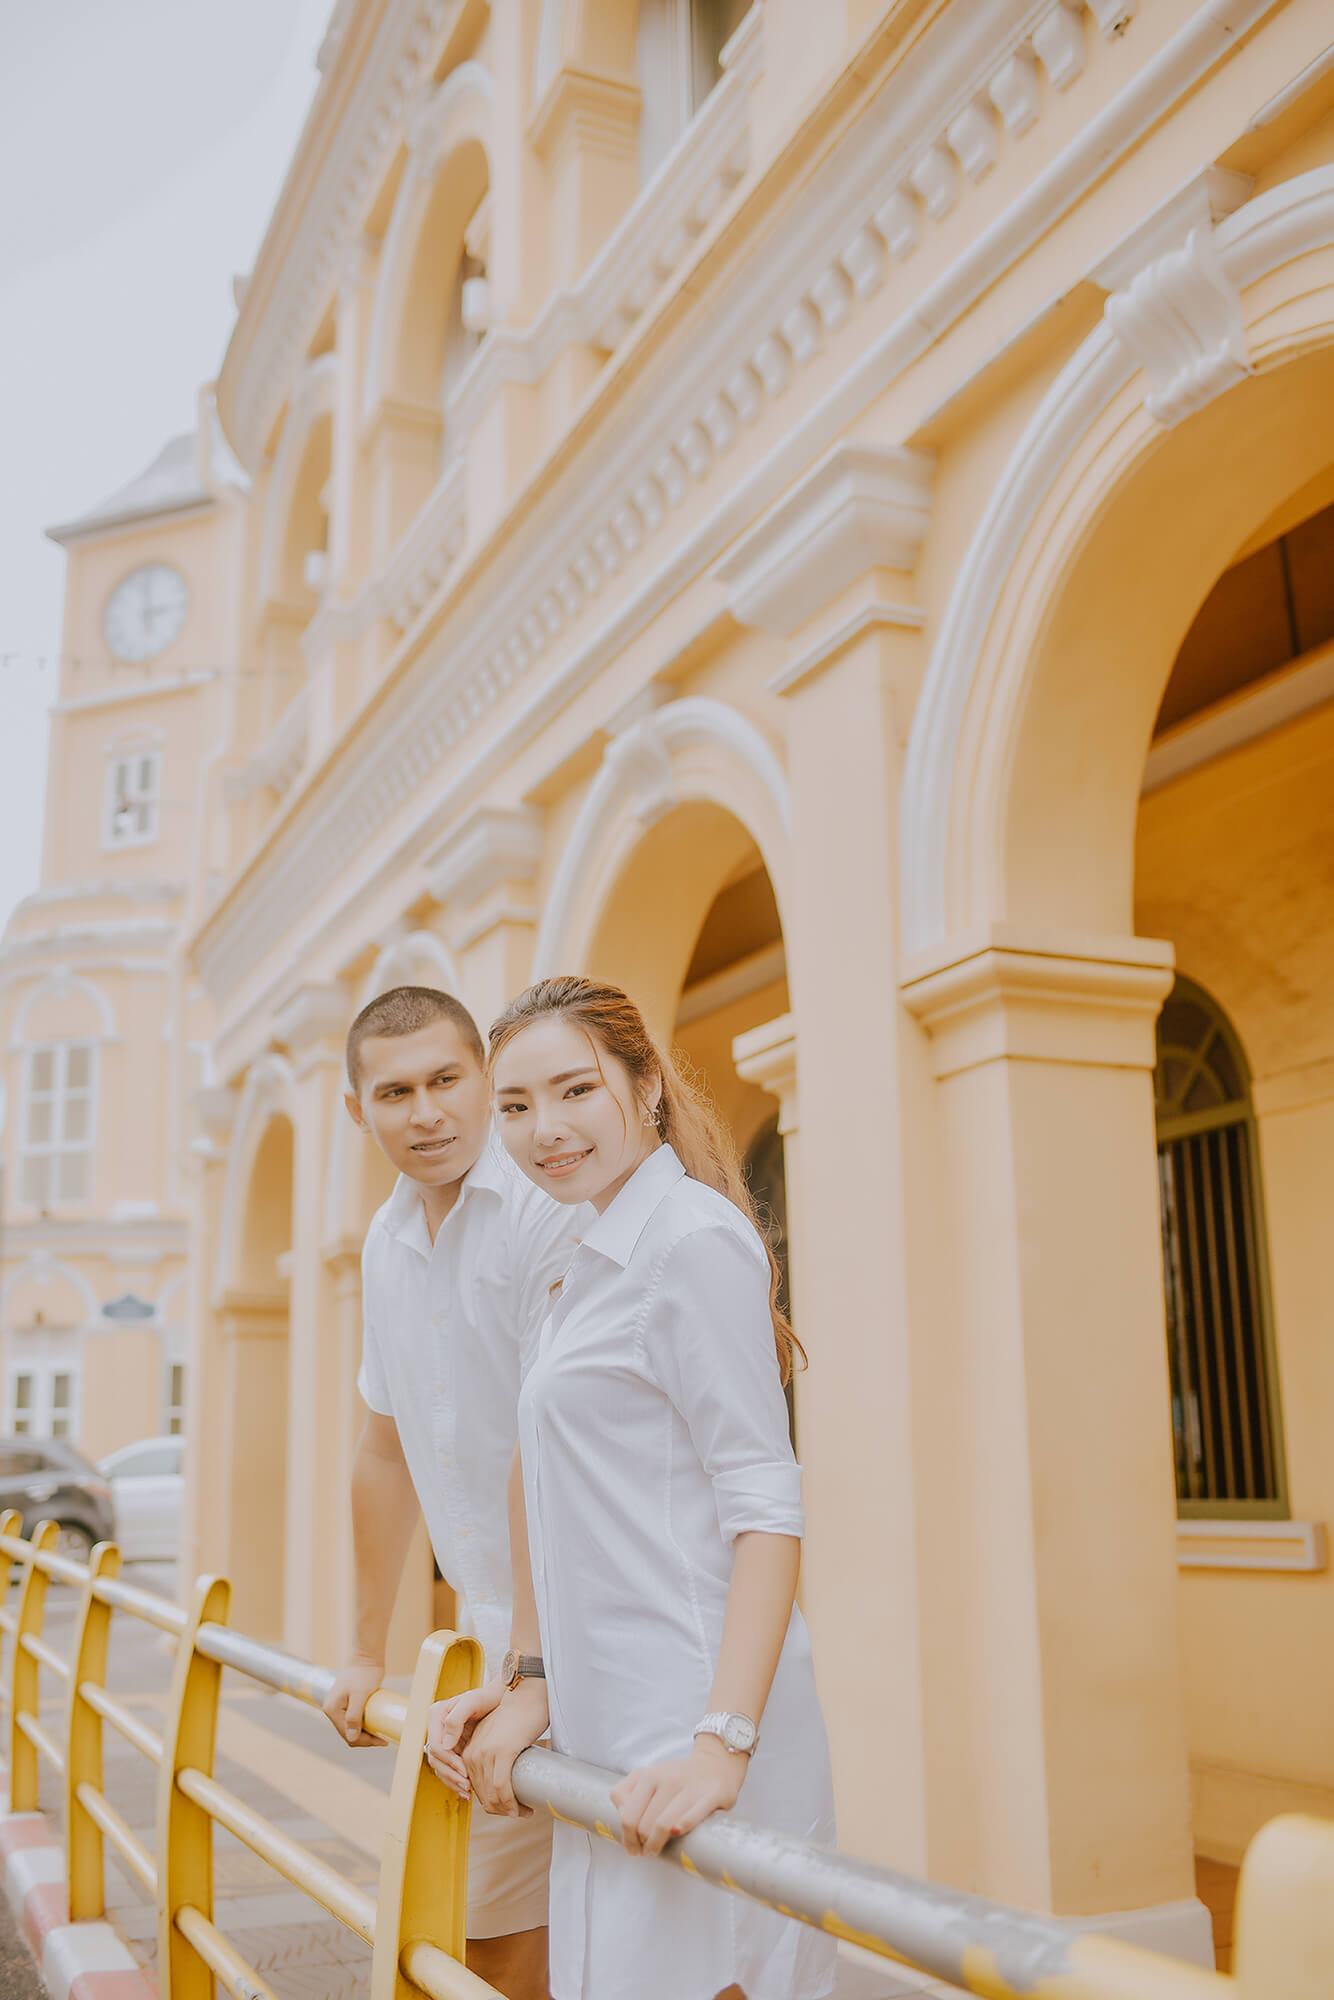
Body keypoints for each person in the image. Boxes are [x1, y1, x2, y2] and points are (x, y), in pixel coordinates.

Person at [428, 976, 836, 2000]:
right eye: (515, 1106)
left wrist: (718, 1746)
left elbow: (764, 1502)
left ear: (644, 1081)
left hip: (694, 1724)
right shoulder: (582, 1260)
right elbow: (543, 1477)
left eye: (574, 1089)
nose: (543, 1129)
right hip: (612, 1727)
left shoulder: (688, 1241)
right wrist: (529, 1680)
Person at [324, 984, 587, 2000]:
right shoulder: (386, 1245)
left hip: (593, 1641)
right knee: (486, 1941)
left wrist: (534, 1666)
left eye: (446, 1079)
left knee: (671, 1940)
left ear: (486, 1079)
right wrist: (360, 1646)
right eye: (395, 1090)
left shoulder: (543, 1209)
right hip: (496, 1652)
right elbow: (382, 1453)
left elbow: (551, 1448)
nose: (425, 1111)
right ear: (359, 1109)